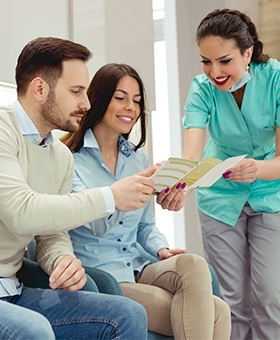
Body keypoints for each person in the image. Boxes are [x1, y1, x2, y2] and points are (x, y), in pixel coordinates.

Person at [62, 63, 231, 340]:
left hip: (139, 264)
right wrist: (125, 191)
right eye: (121, 98)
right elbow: (95, 225)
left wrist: (161, 249)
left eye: (137, 101)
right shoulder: (69, 159)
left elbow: (145, 226)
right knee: (217, 313)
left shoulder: (137, 159)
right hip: (103, 275)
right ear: (99, 98)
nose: (131, 107)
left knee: (194, 265)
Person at [0, 36, 151, 339]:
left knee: (127, 314)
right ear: (40, 88)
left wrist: (61, 260)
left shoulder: (60, 156)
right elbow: (21, 211)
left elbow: (51, 233)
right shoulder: (3, 130)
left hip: (13, 289)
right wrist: (111, 197)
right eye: (76, 91)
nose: (87, 103)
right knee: (35, 330)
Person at [182, 8, 280, 340]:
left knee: (270, 297)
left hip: (270, 191)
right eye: (206, 62)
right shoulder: (201, 88)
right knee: (231, 302)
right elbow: (192, 156)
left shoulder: (276, 80)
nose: (214, 72)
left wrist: (257, 169)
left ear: (248, 52)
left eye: (224, 61)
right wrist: (180, 185)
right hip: (219, 196)